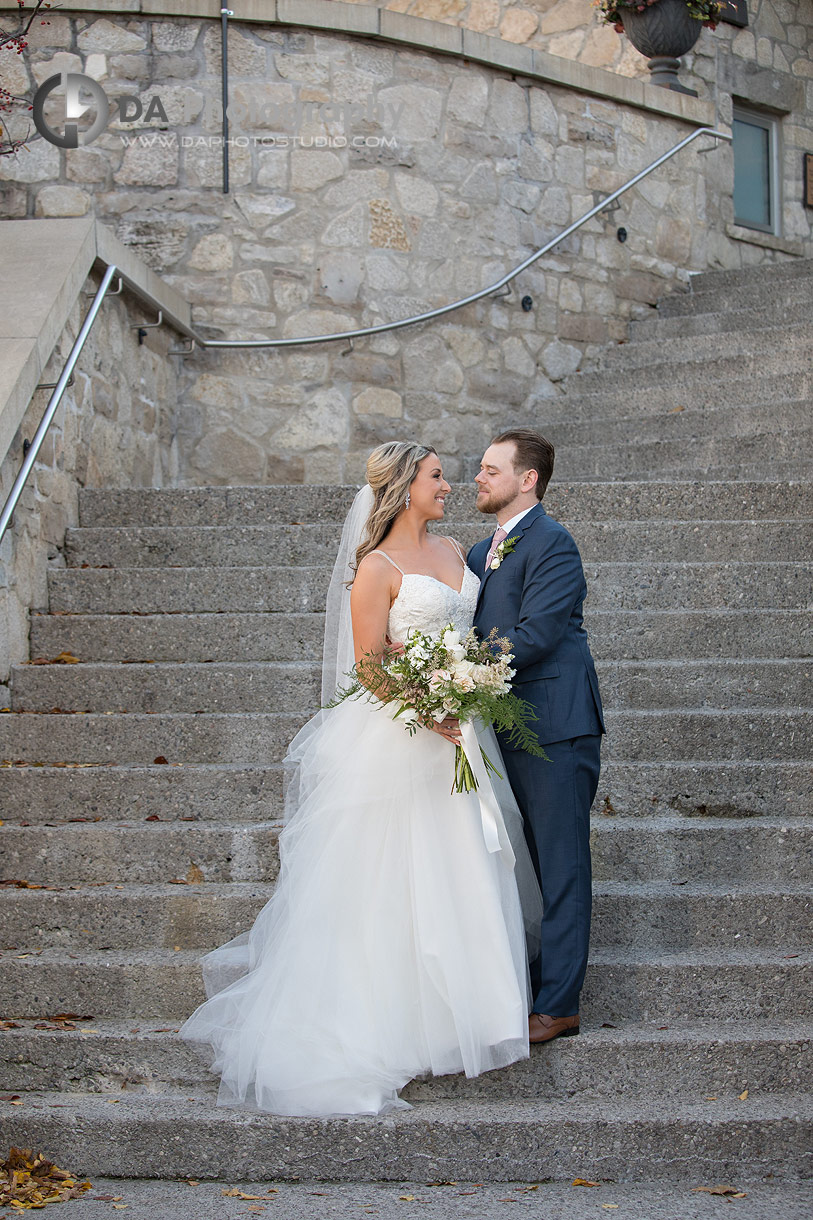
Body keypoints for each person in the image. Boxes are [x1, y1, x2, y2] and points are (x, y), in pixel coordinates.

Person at [180, 441, 542, 1117]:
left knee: (462, 864)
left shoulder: (458, 550)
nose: (448, 485)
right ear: (406, 487)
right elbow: (370, 666)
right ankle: (390, 1022)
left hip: (465, 729)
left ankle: (475, 1010)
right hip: (407, 737)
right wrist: (428, 705)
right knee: (394, 877)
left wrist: (467, 686)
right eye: (437, 476)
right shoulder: (375, 569)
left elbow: (470, 632)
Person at [469, 429, 605, 1045]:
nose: (478, 477)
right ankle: (518, 985)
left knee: (561, 864)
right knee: (513, 863)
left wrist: (458, 669)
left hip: (554, 725)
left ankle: (559, 1005)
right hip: (500, 727)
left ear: (528, 479)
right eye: (478, 468)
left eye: (491, 469)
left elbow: (540, 632)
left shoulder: (553, 543)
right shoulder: (478, 553)